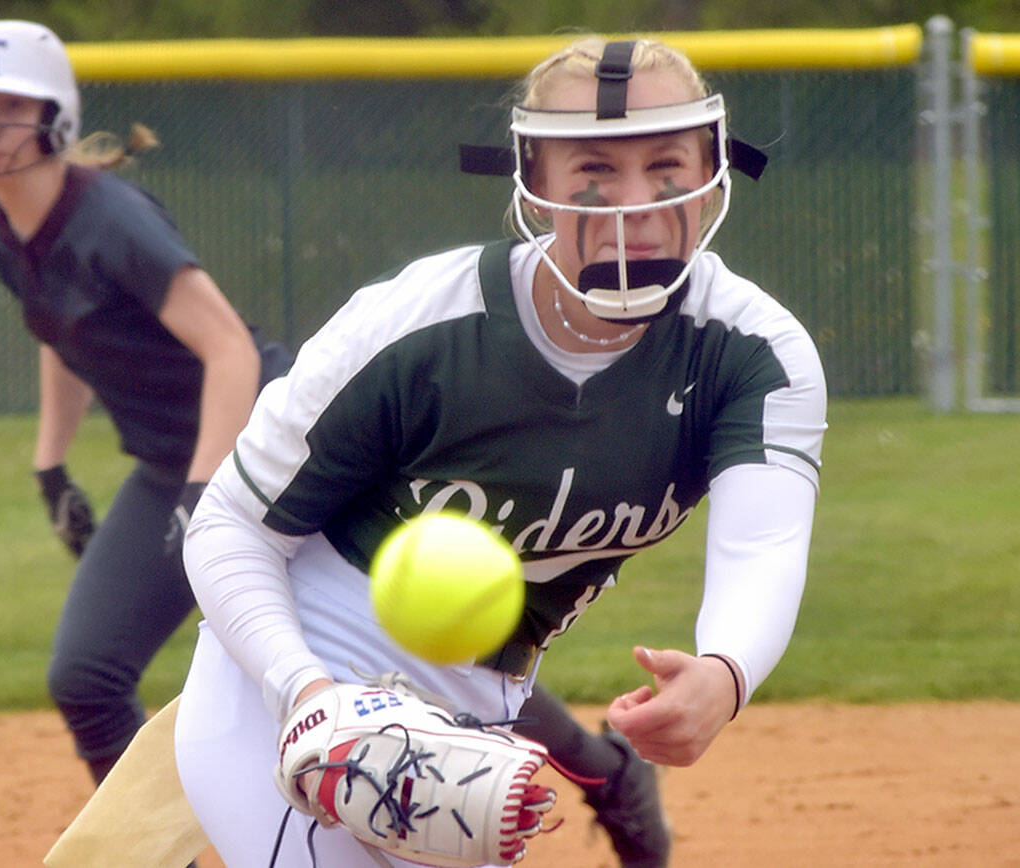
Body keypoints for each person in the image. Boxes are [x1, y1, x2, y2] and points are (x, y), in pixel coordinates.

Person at [173, 33, 825, 867]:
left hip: (479, 709)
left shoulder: (751, 351)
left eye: (666, 164)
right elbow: (230, 524)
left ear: (713, 171)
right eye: (593, 171)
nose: (636, 202)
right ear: (536, 185)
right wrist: (304, 691)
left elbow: (762, 542)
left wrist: (726, 672)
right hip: (290, 675)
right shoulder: (419, 323)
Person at [0, 19, 291, 786]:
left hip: (273, 454)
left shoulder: (110, 220)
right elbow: (61, 332)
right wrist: (51, 467)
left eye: (9, 109)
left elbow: (229, 350)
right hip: (172, 465)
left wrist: (204, 496)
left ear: (51, 117)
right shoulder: (2, 232)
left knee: (379, 650)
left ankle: (607, 777)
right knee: (87, 678)